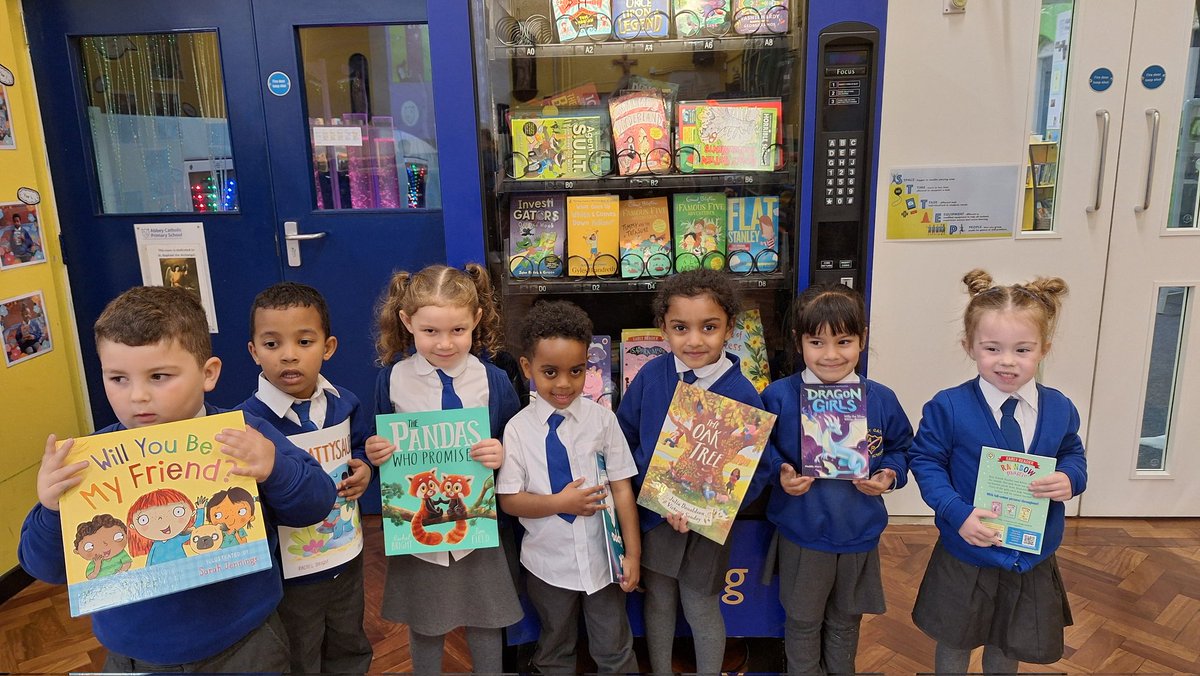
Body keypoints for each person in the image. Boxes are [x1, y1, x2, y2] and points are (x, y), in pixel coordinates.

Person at [18, 285, 335, 671]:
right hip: (134, 653)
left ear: (208, 374)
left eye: (159, 376)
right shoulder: (87, 463)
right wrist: (52, 509)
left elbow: (317, 502)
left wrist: (274, 468)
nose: (137, 396)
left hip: (245, 641)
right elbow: (46, 568)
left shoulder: (246, 436)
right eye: (118, 378)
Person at [909, 269, 1086, 673]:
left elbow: (1072, 451)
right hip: (967, 548)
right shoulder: (948, 406)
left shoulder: (1059, 407)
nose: (1007, 361)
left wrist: (1071, 477)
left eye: (1022, 350)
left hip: (1029, 551)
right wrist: (957, 513)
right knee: (954, 640)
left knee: (1010, 641)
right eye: (992, 348)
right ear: (969, 346)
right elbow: (926, 461)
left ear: (1044, 348)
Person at [364, 263, 522, 674]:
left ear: (476, 321)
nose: (445, 343)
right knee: (426, 618)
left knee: (487, 617)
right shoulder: (393, 381)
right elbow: (377, 443)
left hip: (480, 526)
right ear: (406, 322)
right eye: (430, 331)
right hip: (420, 528)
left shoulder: (494, 381)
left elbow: (518, 445)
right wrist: (375, 451)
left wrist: (502, 453)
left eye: (457, 330)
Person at [616, 269, 764, 674]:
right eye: (681, 327)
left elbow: (757, 471)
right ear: (663, 327)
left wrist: (710, 509)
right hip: (656, 517)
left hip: (707, 530)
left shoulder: (743, 394)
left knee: (701, 603)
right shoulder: (651, 376)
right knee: (659, 598)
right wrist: (652, 494)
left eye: (709, 327)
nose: (695, 340)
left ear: (730, 328)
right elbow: (625, 439)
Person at [762, 282, 912, 674]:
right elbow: (758, 450)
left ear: (862, 340)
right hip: (803, 531)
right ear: (798, 343)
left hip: (858, 531)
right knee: (802, 621)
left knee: (846, 621)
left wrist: (888, 474)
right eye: (817, 342)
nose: (831, 355)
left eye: (844, 341)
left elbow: (902, 448)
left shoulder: (881, 398)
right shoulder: (778, 396)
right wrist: (781, 471)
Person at [498, 300, 641, 674]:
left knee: (614, 645)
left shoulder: (601, 420)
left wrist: (634, 554)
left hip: (604, 562)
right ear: (528, 368)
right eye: (550, 372)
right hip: (548, 564)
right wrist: (560, 502)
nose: (564, 383)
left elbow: (623, 488)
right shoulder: (517, 429)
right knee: (555, 645)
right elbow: (510, 500)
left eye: (576, 371)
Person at [238, 282, 374, 674]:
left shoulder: (345, 402)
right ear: (253, 351)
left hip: (346, 554)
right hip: (290, 572)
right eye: (272, 344)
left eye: (304, 341)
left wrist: (365, 468)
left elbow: (361, 446)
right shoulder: (247, 423)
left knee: (349, 641)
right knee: (301, 651)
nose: (288, 355)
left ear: (327, 347)